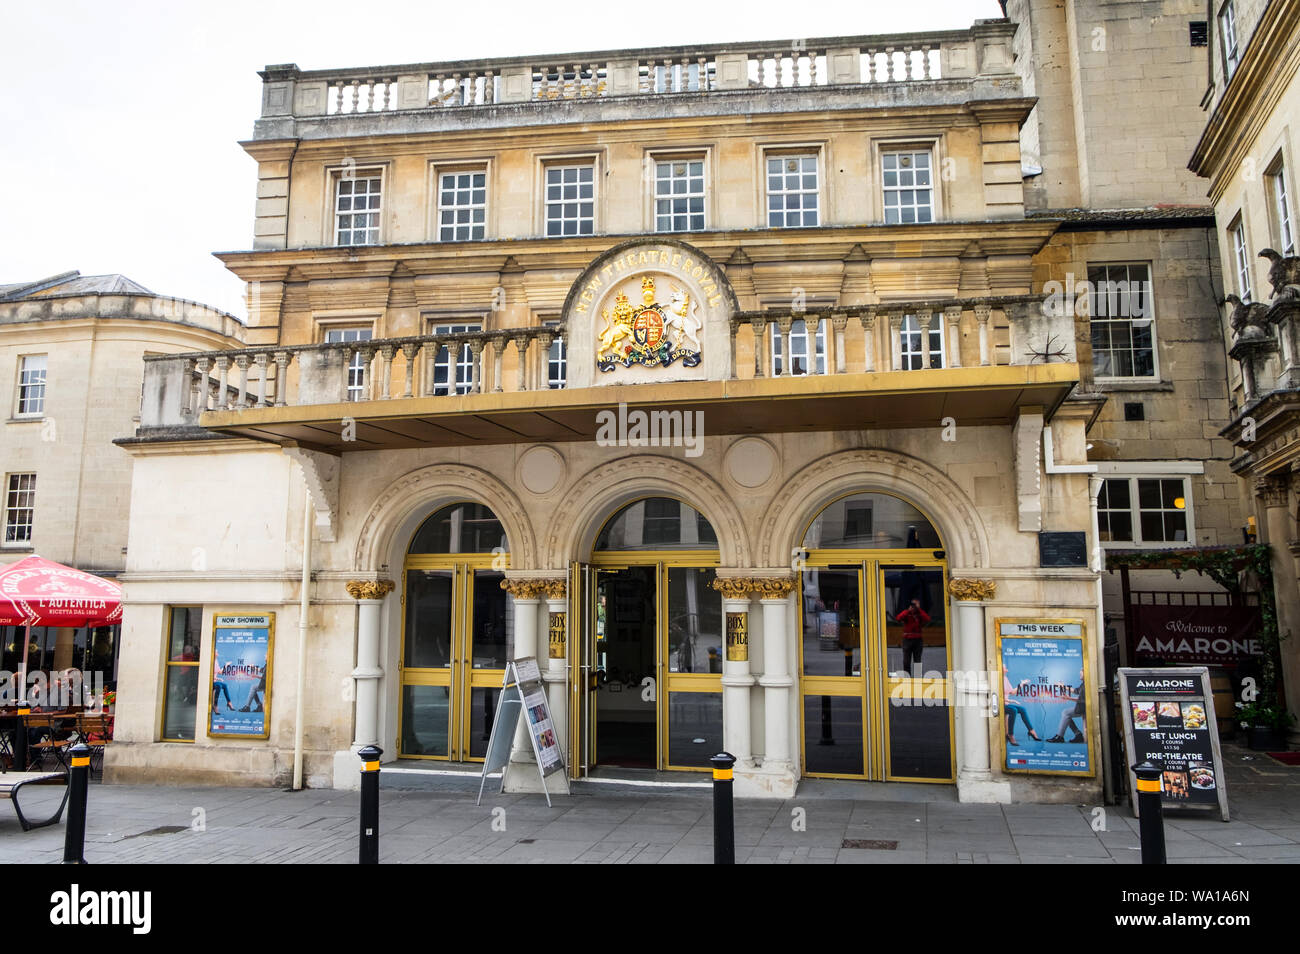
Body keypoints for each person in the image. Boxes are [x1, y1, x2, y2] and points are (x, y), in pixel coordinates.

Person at [1047, 669, 1087, 743]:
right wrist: (1063, 686)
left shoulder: (1086, 685)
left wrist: (1068, 698)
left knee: (1066, 713)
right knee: (1066, 714)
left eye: (1081, 674)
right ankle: (1078, 735)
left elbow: (1082, 700)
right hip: (1082, 706)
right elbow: (1075, 691)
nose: (1080, 675)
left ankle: (1060, 736)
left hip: (1085, 708)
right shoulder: (1084, 684)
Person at [896, 598, 930, 676]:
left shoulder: (920, 613)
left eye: (916, 604)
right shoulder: (907, 613)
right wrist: (908, 611)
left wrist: (919, 609)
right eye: (913, 604)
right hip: (907, 639)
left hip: (918, 639)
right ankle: (907, 677)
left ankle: (917, 678)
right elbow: (898, 618)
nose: (914, 606)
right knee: (906, 661)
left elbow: (927, 619)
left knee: (917, 660)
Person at [1004, 674, 1041, 746]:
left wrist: (1021, 684)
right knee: (1013, 710)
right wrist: (1011, 701)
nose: (1006, 670)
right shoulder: (998, 679)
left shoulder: (1005, 679)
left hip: (1006, 704)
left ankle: (1031, 731)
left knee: (1022, 709)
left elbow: (1012, 692)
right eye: (1005, 668)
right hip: (1000, 704)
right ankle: (1010, 735)